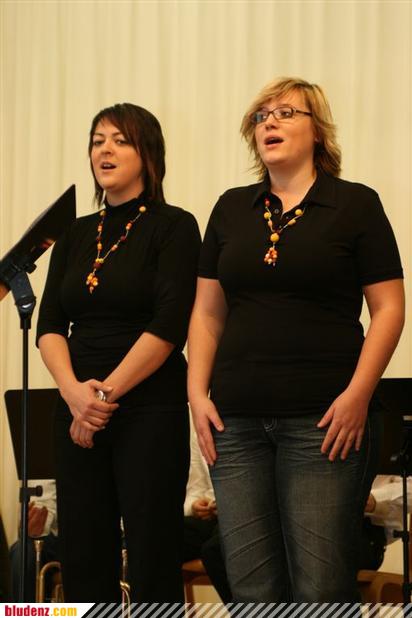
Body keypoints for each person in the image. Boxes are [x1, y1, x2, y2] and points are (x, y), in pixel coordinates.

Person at [187, 77, 405, 602]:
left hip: (324, 422)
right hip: (236, 423)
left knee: (319, 588)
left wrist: (357, 395)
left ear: (318, 131)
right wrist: (196, 394)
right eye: (261, 116)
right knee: (251, 587)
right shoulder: (231, 207)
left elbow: (389, 308)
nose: (270, 122)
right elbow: (207, 313)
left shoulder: (354, 204)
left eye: (286, 113)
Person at [36, 103, 201, 602]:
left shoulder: (175, 226)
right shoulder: (74, 232)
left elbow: (169, 326)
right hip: (76, 408)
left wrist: (102, 399)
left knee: (152, 554)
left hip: (148, 406)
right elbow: (49, 325)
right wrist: (74, 395)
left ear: (148, 154)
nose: (104, 150)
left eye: (119, 140)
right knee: (83, 552)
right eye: (97, 141)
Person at [183, 421, 231, 602]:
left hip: (239, 512)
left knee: (215, 550)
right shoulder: (197, 421)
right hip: (210, 515)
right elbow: (196, 487)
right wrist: (195, 506)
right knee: (158, 538)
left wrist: (225, 503)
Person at [9, 480, 58, 602]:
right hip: (48, 537)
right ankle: (25, 610)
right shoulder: (39, 468)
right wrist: (30, 524)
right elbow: (39, 504)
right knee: (22, 554)